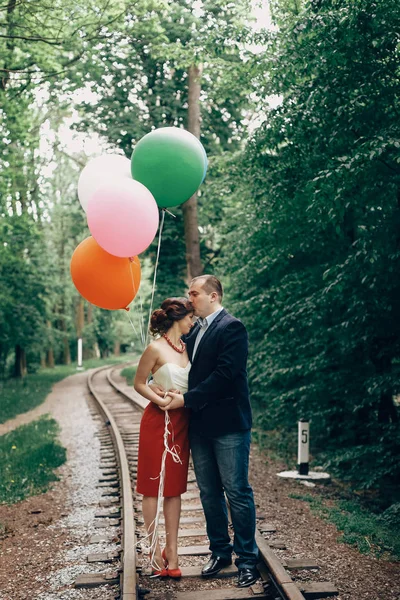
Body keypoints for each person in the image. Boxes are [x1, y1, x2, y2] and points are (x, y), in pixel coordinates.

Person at [158, 275, 260, 588]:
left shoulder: (232, 327)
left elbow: (225, 376)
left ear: (213, 296)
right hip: (199, 426)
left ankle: (247, 559)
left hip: (228, 425)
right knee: (208, 493)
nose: (190, 300)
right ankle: (220, 551)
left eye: (194, 294)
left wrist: (186, 399)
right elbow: (182, 366)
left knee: (237, 491)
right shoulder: (194, 329)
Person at [134, 297, 194, 578]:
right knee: (151, 485)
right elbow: (138, 383)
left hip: (181, 421)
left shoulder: (188, 347)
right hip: (157, 421)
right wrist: (156, 397)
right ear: (177, 318)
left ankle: (173, 552)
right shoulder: (154, 348)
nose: (192, 322)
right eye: (190, 318)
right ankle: (153, 549)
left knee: (174, 487)